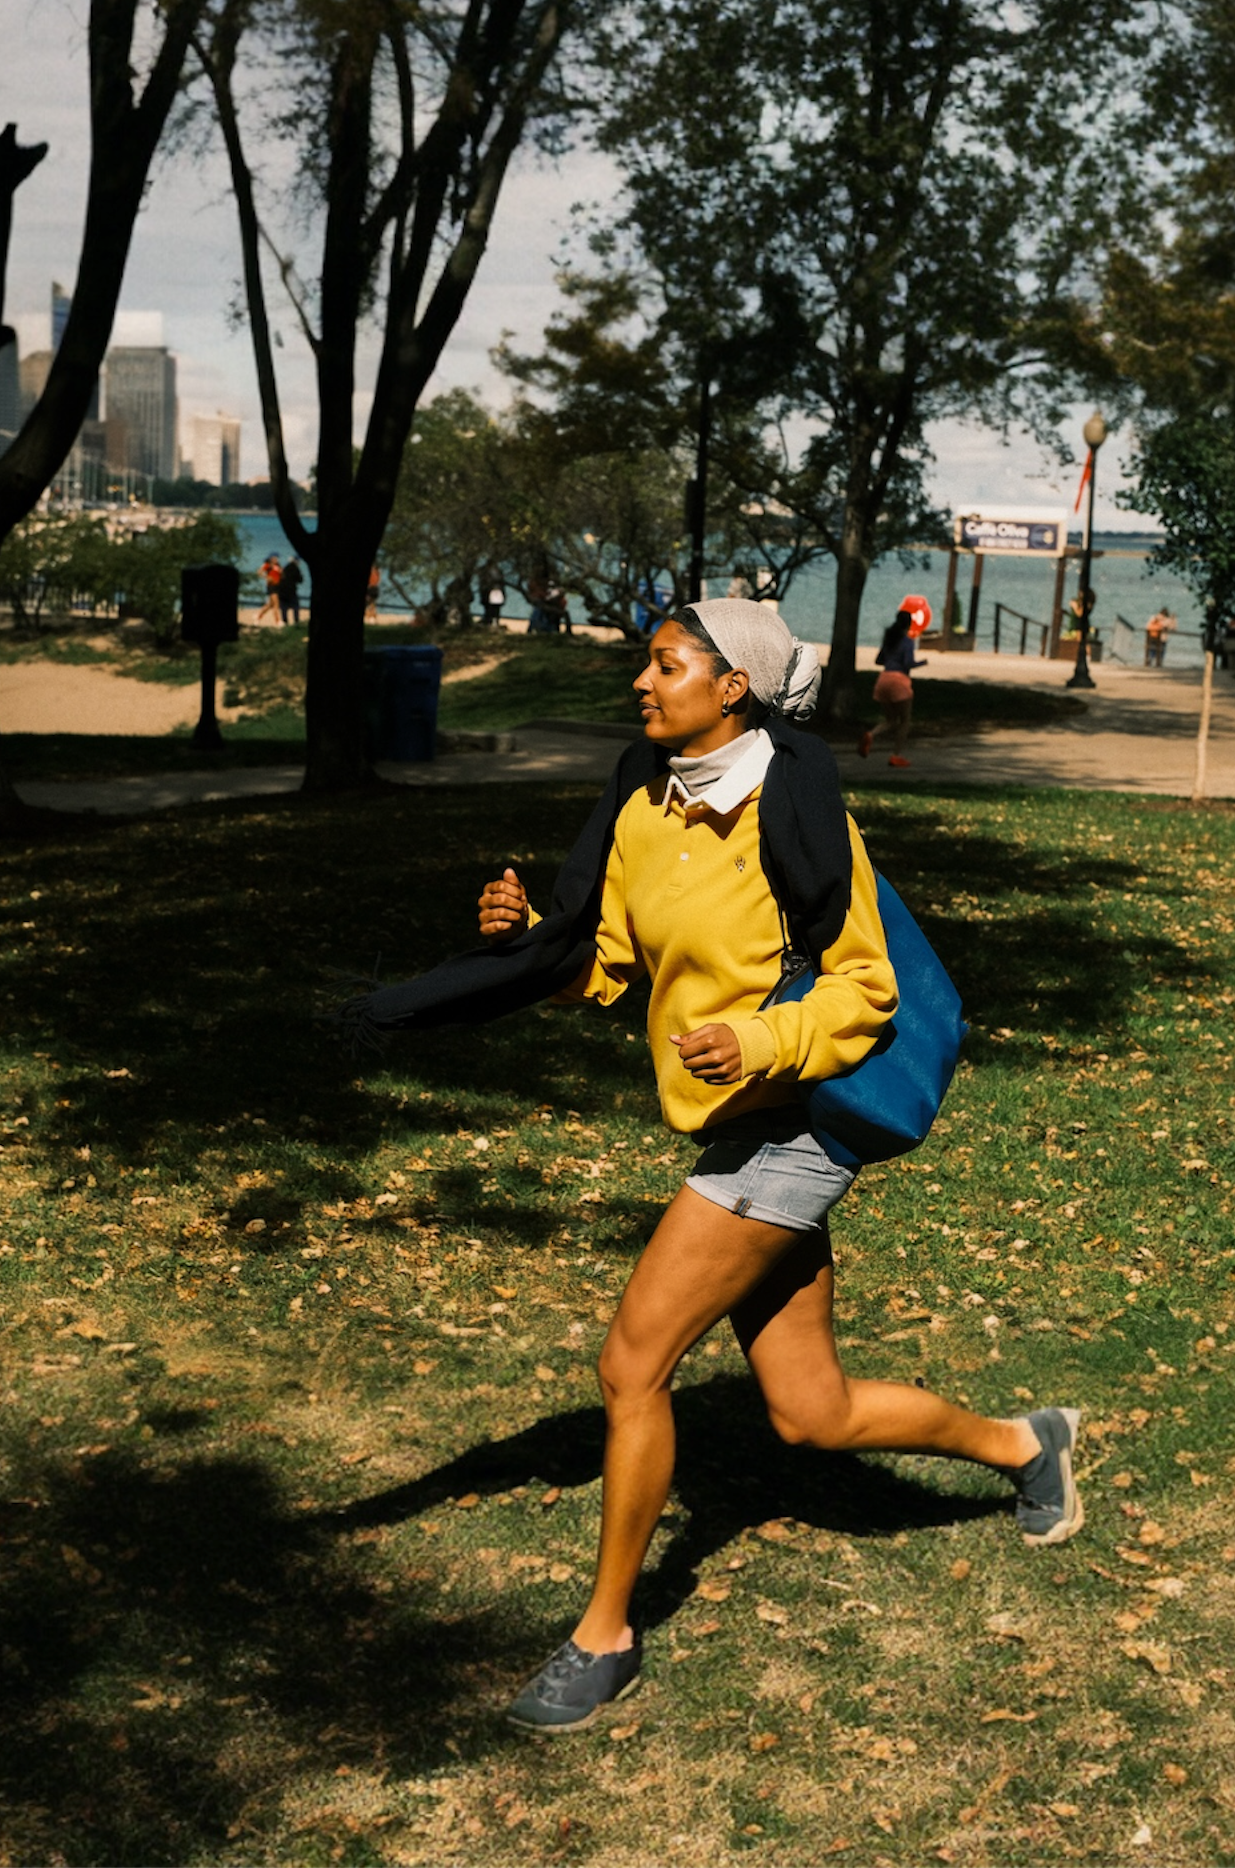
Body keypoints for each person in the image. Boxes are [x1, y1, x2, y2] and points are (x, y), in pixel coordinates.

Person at [462, 600, 1082, 1733]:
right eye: (646, 664)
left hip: (795, 1124)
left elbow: (865, 987)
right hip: (734, 1124)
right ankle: (1026, 1444)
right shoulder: (647, 810)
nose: (642, 682)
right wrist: (523, 944)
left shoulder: (797, 811)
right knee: (810, 1413)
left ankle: (605, 1635)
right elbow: (607, 969)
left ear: (732, 685)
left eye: (666, 664)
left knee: (632, 1365)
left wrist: (758, 1040)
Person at [859, 605, 926, 767]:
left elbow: (879, 660)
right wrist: (922, 663)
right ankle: (896, 755)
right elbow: (907, 663)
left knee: (890, 720)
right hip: (899, 681)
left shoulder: (889, 640)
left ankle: (871, 734)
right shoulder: (908, 642)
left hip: (883, 680)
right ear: (909, 625)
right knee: (905, 721)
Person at [256, 554, 283, 625]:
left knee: (270, 605)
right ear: (271, 558)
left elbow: (281, 574)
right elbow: (259, 572)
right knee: (276, 603)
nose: (277, 559)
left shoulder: (278, 565)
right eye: (275, 558)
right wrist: (266, 577)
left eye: (277, 558)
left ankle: (258, 617)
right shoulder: (268, 565)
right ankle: (278, 621)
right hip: (271, 586)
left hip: (277, 586)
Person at [278, 556, 304, 625]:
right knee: (295, 606)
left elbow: (280, 577)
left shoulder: (285, 568)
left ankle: (285, 622)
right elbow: (300, 580)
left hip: (282, 590)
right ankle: (296, 621)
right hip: (291, 591)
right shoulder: (296, 569)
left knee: (284, 607)